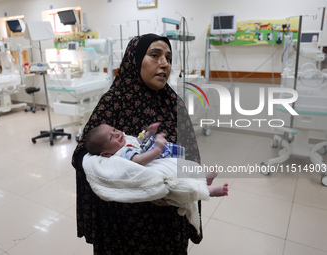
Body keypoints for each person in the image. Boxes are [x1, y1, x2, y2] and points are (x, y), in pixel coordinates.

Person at [72, 33, 205, 254]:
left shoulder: (173, 104)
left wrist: (182, 188)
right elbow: (81, 155)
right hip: (123, 220)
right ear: (134, 60)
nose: (164, 64)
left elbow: (191, 155)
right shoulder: (114, 100)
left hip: (168, 217)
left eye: (169, 59)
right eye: (155, 55)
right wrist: (127, 179)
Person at [83, 122, 228, 197]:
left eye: (114, 130)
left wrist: (148, 133)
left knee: (184, 169)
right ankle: (209, 191)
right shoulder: (122, 154)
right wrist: (157, 149)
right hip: (153, 170)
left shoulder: (125, 140)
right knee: (180, 186)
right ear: (106, 154)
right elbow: (139, 160)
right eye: (111, 137)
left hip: (160, 161)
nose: (117, 134)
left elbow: (139, 141)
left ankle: (203, 178)